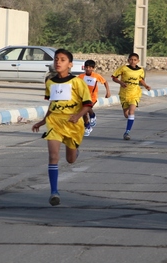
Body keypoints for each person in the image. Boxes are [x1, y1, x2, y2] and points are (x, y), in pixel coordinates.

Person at [32, 49, 93, 206]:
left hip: (73, 124)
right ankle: (54, 192)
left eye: (63, 59)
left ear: (70, 64)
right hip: (55, 123)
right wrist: (42, 121)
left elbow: (88, 105)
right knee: (53, 156)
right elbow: (53, 105)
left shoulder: (78, 82)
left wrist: (78, 116)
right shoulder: (50, 82)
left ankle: (75, 151)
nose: (58, 62)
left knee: (70, 160)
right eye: (56, 59)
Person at [112, 53, 152, 140]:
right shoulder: (123, 68)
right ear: (128, 60)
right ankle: (131, 119)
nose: (133, 61)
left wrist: (146, 86)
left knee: (131, 112)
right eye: (131, 59)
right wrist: (121, 82)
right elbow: (114, 77)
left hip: (135, 94)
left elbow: (141, 79)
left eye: (135, 60)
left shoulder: (140, 70)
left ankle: (127, 132)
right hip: (124, 94)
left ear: (138, 61)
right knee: (126, 115)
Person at [78, 60, 111, 136]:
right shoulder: (81, 77)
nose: (88, 69)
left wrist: (108, 91)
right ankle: (87, 126)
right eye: (86, 67)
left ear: (93, 68)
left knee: (87, 106)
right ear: (84, 68)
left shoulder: (96, 76)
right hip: (83, 97)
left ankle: (92, 115)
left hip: (93, 96)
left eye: (90, 67)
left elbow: (105, 82)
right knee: (84, 114)